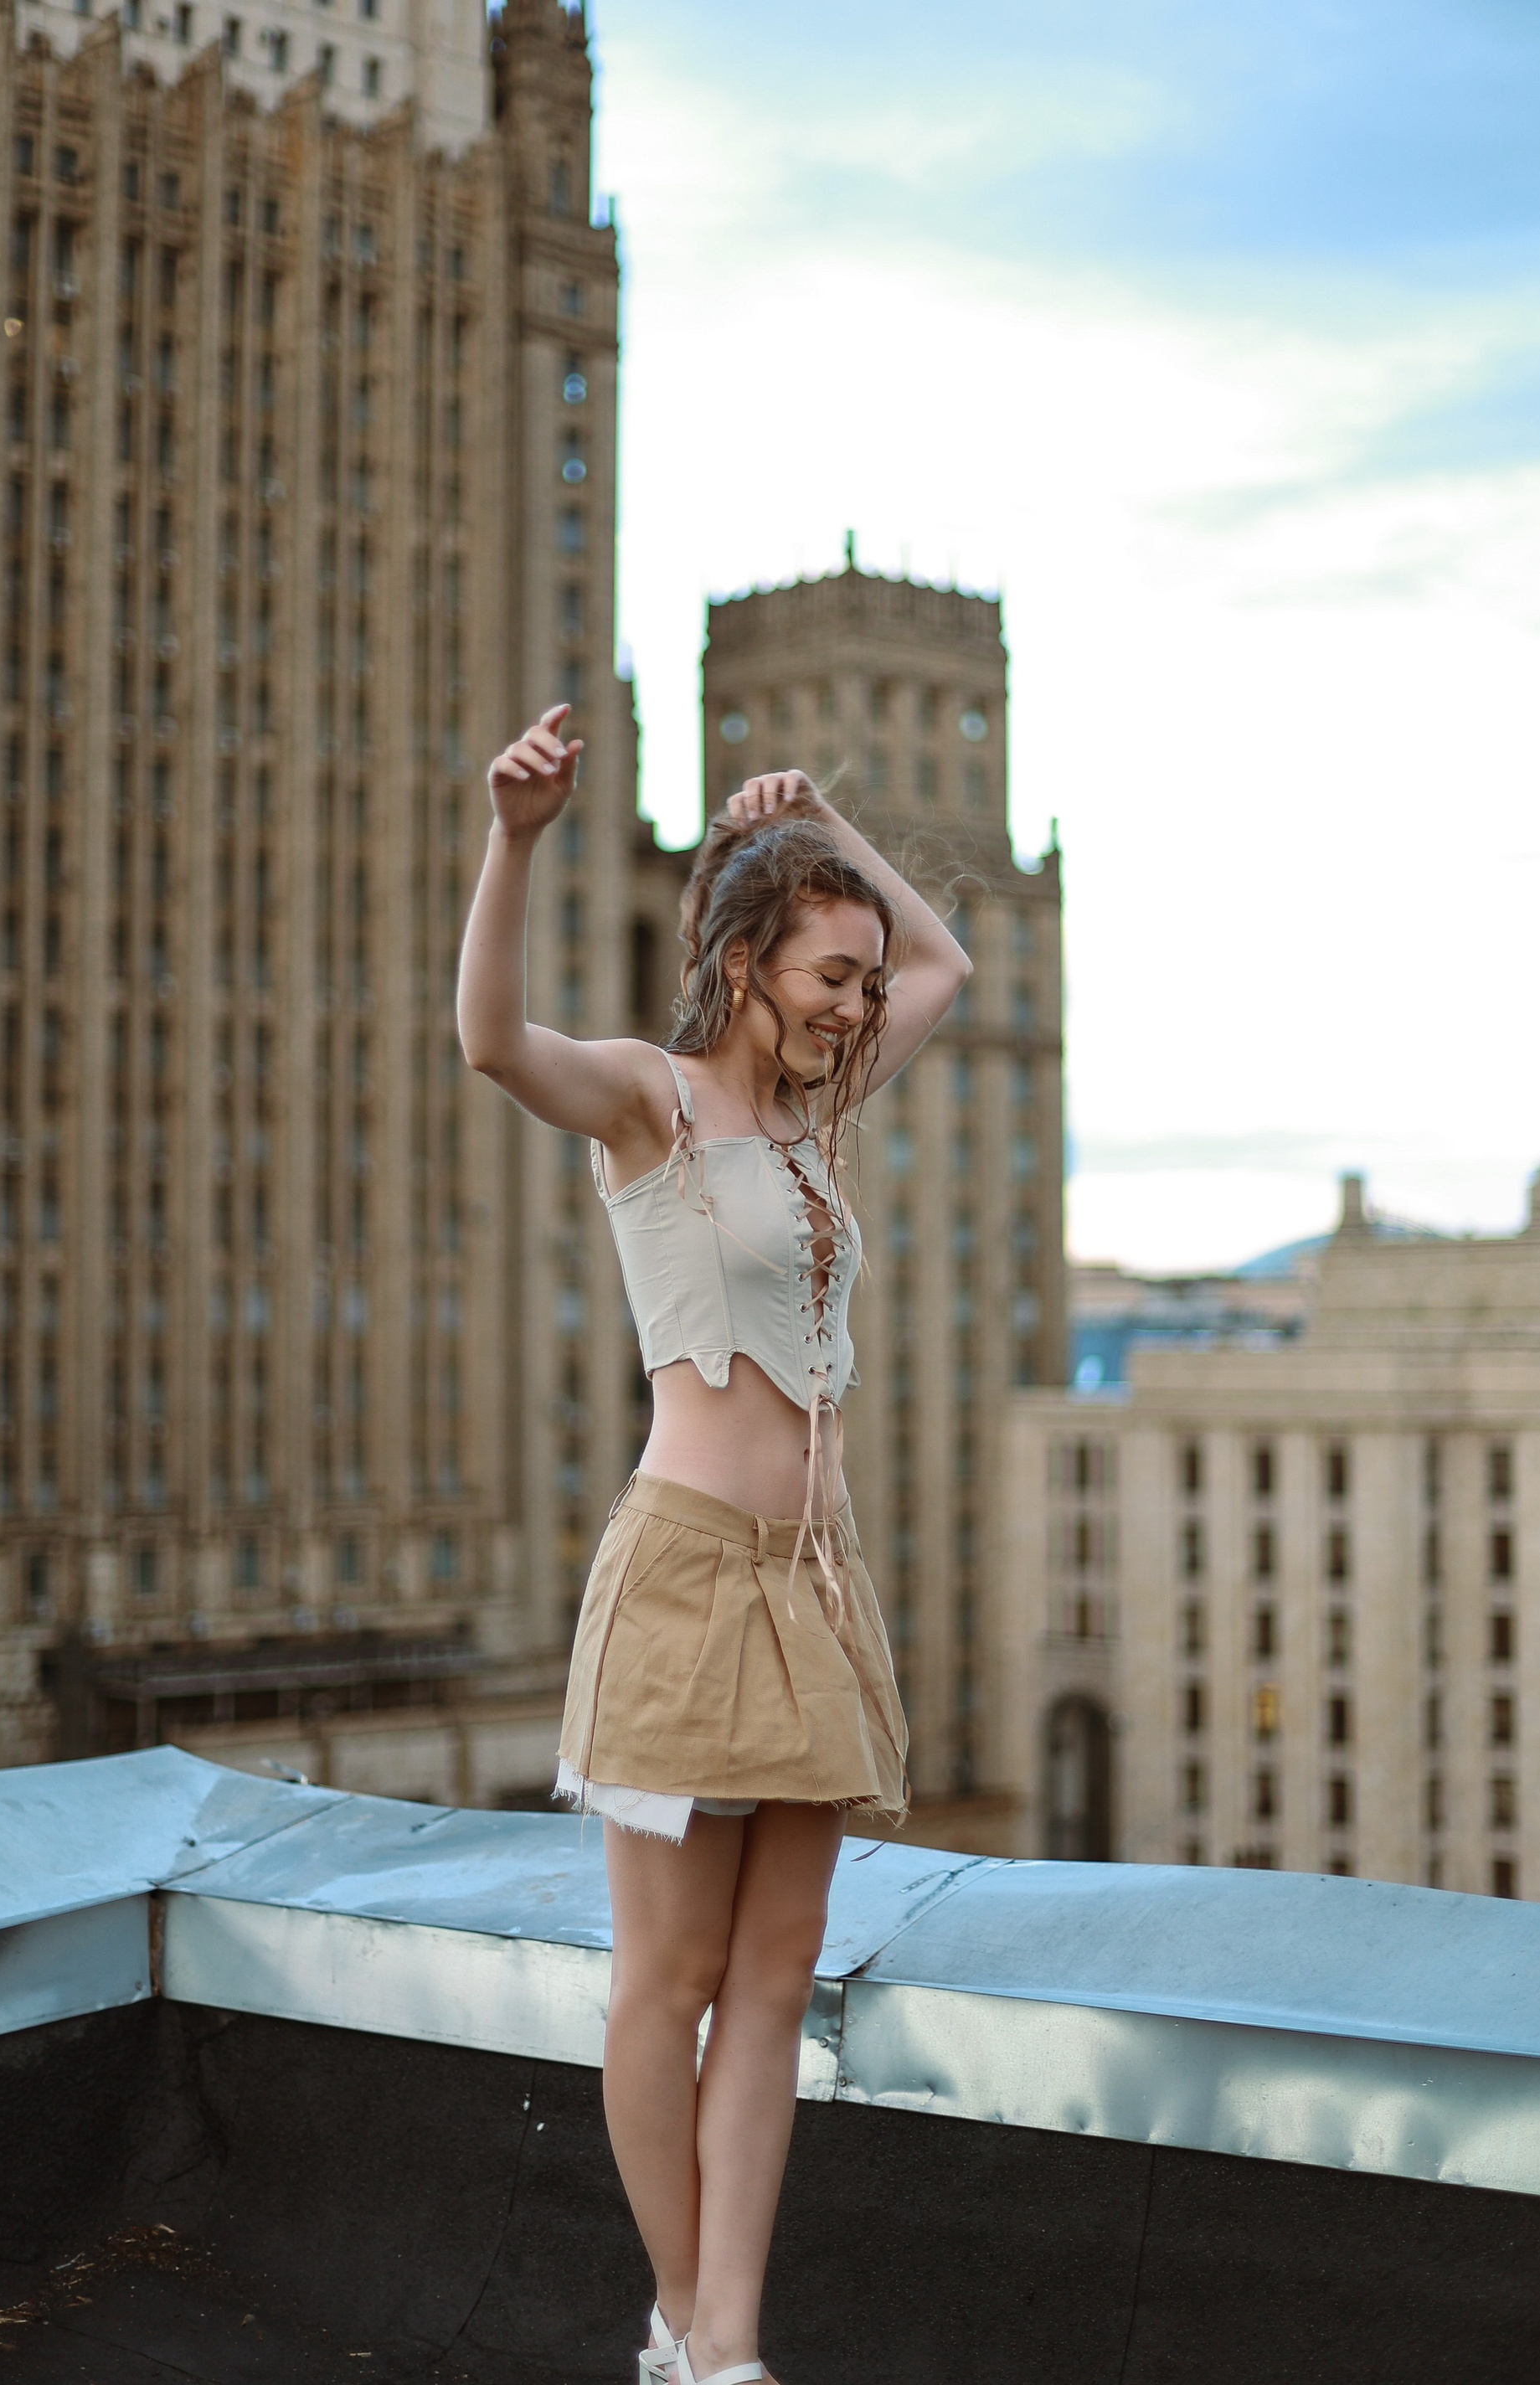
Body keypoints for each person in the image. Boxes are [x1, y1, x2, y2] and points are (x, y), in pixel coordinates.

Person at [457, 704, 972, 2385]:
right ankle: (683, 2326)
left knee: (774, 1981)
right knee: (664, 1982)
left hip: (815, 1590)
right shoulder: (652, 1104)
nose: (859, 1004)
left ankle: (730, 2340)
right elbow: (490, 1042)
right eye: (831, 973)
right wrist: (516, 840)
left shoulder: (817, 1126)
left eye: (862, 985)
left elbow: (950, 963)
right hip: (686, 1577)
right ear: (745, 961)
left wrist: (822, 822)